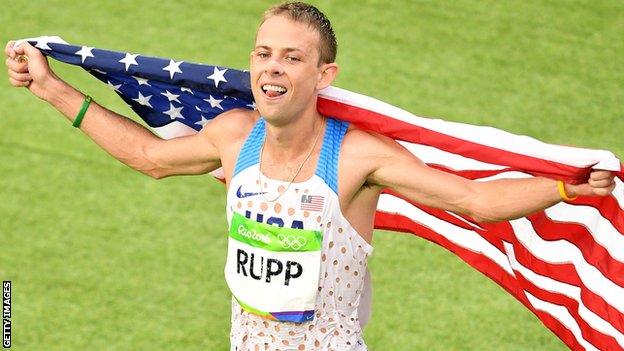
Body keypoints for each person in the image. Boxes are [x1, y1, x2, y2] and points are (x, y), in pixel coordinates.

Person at [4, 2, 616, 350]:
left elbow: (473, 201)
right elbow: (149, 157)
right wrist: (52, 88)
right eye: (264, 53)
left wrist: (564, 187)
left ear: (324, 75)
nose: (273, 68)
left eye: (293, 57)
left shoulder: (356, 157)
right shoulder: (233, 136)